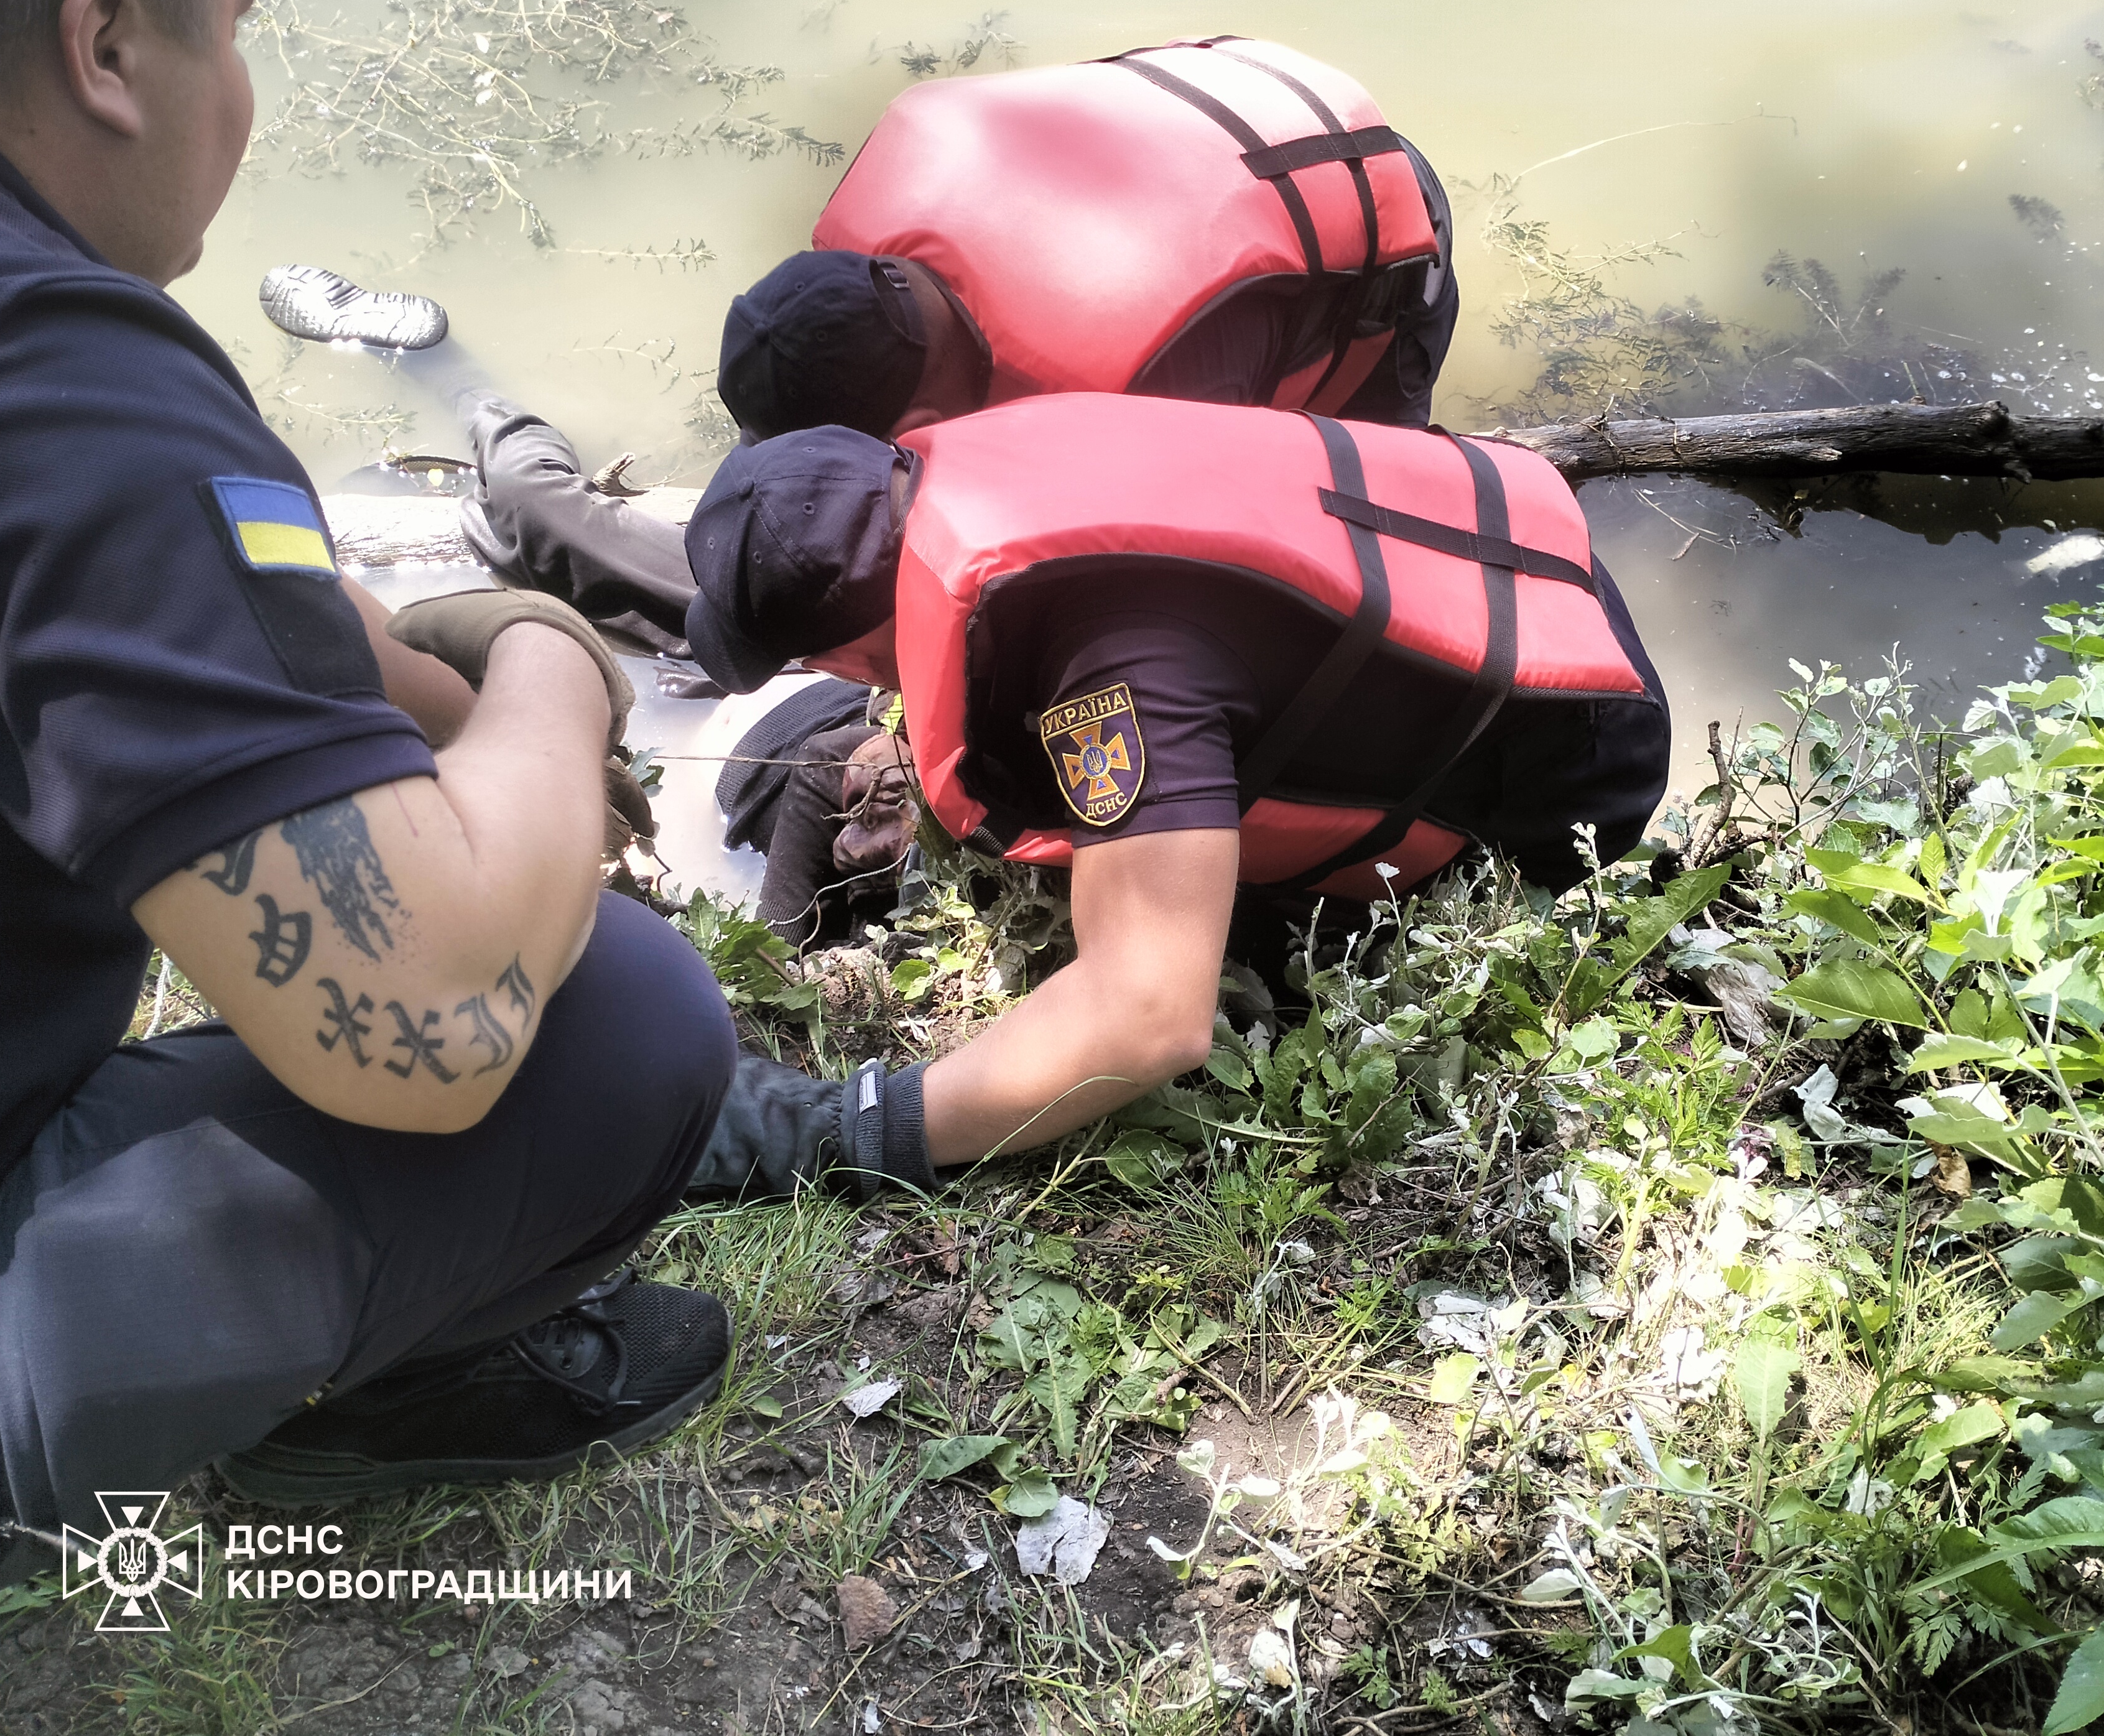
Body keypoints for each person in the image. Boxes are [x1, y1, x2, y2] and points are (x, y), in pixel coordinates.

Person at [0, 0, 742, 1632]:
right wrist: (560, 682)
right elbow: (424, 1013)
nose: (256, 92)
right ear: (106, 49)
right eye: (244, 23)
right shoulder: (40, 374)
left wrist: (442, 672)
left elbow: (238, 609)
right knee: (618, 1030)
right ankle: (365, 1392)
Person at [674, 393, 1673, 1201]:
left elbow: (1151, 1014)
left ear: (849, 651)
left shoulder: (1109, 678)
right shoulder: (1009, 453)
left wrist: (834, 1128)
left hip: (1575, 747)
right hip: (1524, 553)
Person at [717, 36, 1461, 441]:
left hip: (1381, 226)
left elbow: (1211, 533)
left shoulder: (1137, 394)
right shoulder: (912, 146)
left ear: (920, 428)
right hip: (1246, 92)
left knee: (1368, 498)